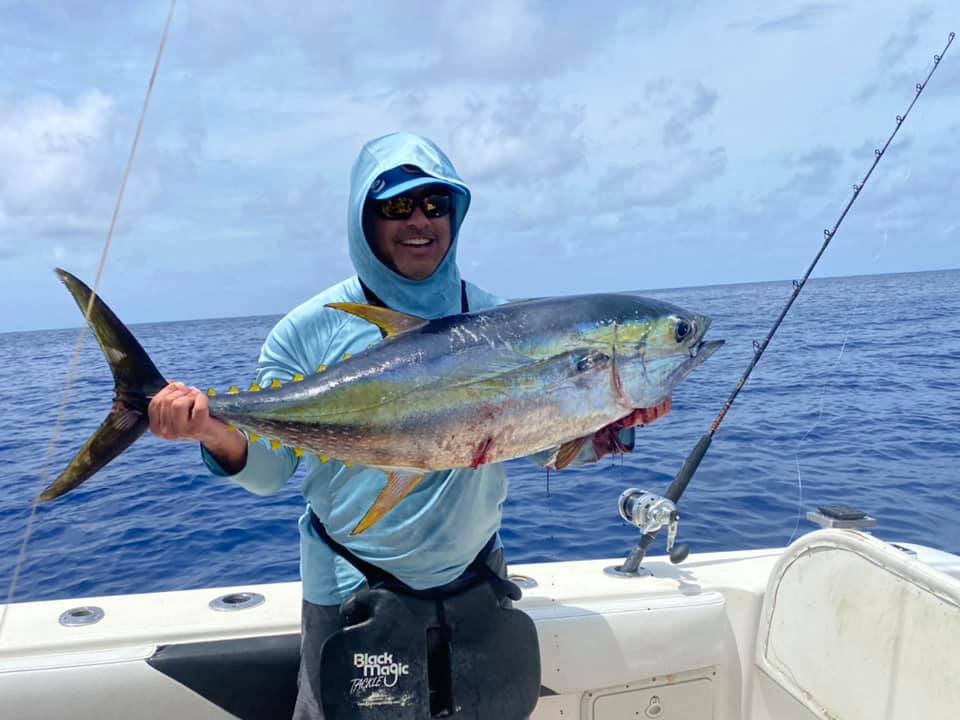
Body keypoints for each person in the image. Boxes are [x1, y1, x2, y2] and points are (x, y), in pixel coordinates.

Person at [147, 132, 646, 718]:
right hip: (352, 589)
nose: (419, 221)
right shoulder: (310, 329)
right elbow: (268, 473)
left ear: (455, 215)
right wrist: (210, 430)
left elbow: (541, 445)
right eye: (396, 207)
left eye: (434, 205)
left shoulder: (500, 321)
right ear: (365, 219)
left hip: (476, 582)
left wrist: (611, 429)